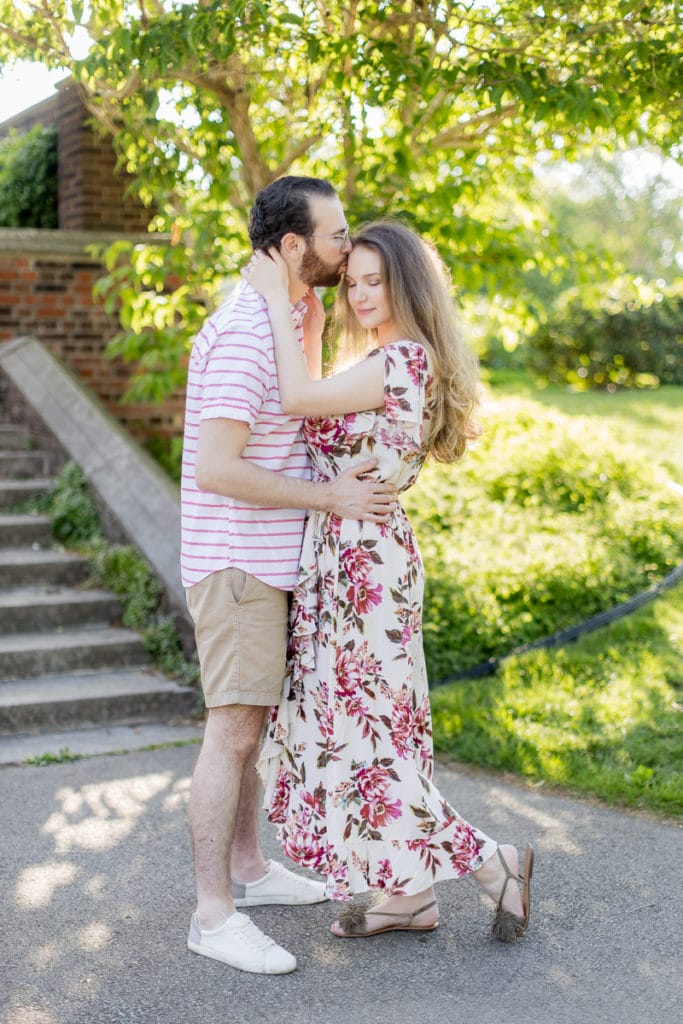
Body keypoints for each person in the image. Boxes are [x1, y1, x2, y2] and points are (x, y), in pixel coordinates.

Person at [243, 221, 534, 943]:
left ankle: (491, 860)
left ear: (406, 284)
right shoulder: (389, 357)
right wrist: (309, 318)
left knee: (369, 734)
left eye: (377, 280)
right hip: (353, 553)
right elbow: (315, 399)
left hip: (362, 563)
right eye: (354, 281)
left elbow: (295, 399)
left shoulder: (399, 357)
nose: (362, 293)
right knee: (374, 730)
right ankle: (406, 898)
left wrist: (280, 304)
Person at [180, 177, 397, 975]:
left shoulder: (288, 315)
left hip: (266, 561)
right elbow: (216, 468)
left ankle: (248, 869)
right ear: (293, 246)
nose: (348, 249)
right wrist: (328, 496)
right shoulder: (244, 331)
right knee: (231, 731)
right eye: (337, 236)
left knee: (251, 731)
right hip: (236, 558)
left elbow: (299, 414)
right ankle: (214, 914)